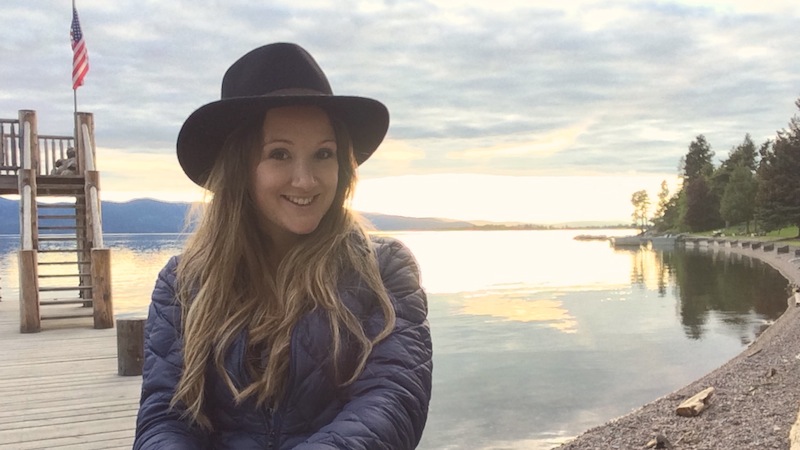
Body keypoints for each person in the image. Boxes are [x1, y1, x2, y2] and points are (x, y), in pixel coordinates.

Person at [133, 43, 432, 449]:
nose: (305, 180)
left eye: (323, 154)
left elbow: (393, 400)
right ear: (239, 168)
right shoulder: (183, 283)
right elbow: (165, 416)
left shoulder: (384, 271)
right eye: (280, 154)